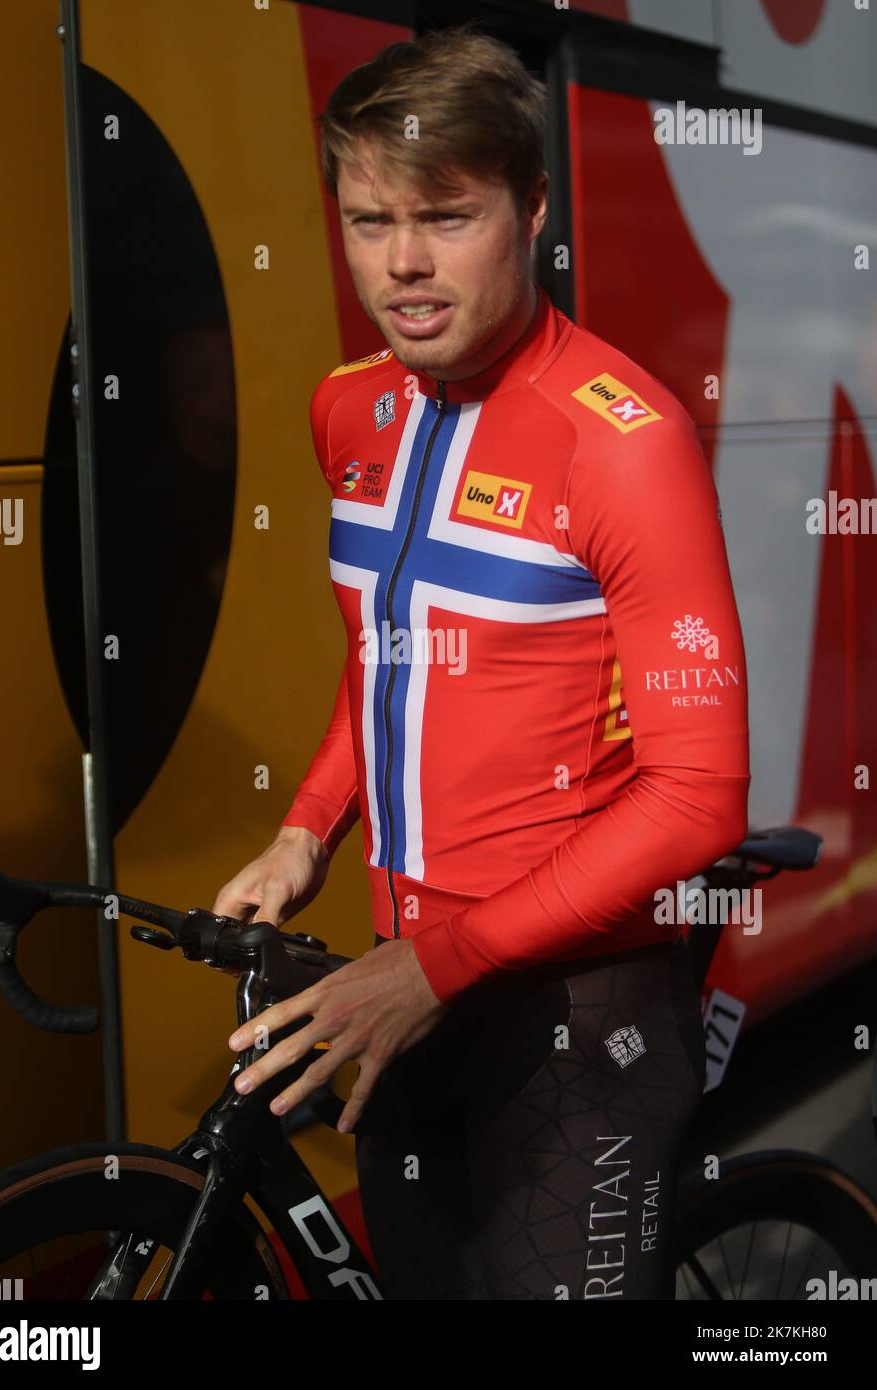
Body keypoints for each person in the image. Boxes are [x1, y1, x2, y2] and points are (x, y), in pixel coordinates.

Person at [214, 25, 750, 1299]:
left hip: (578, 1019)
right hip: (405, 994)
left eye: (446, 217)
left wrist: (430, 966)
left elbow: (697, 795)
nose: (400, 265)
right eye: (365, 220)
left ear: (534, 205)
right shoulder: (349, 408)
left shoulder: (626, 441)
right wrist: (306, 829)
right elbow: (386, 662)